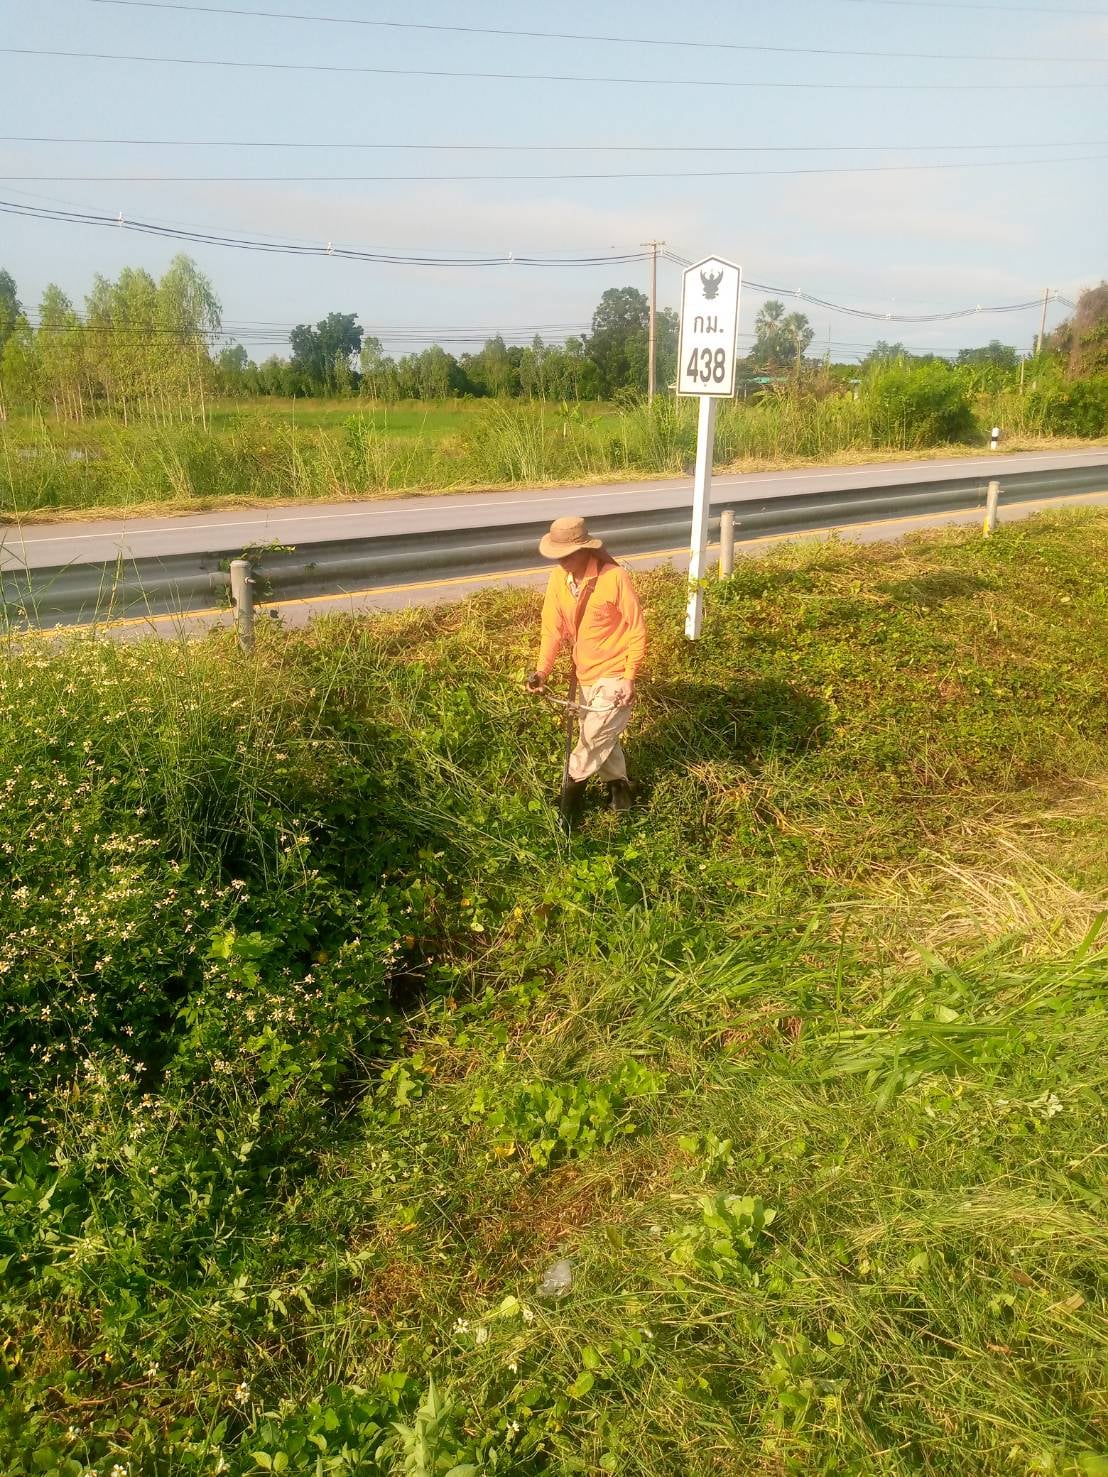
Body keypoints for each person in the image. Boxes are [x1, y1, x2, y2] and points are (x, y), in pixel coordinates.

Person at [525, 515, 646, 820]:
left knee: (590, 742)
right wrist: (541, 672)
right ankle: (622, 795)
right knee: (601, 736)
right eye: (557, 555)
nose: (562, 561)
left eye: (567, 554)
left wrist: (630, 677)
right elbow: (551, 631)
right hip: (585, 675)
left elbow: (637, 629)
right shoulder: (558, 580)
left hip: (615, 676)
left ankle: (567, 813)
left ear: (585, 549)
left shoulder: (614, 577)